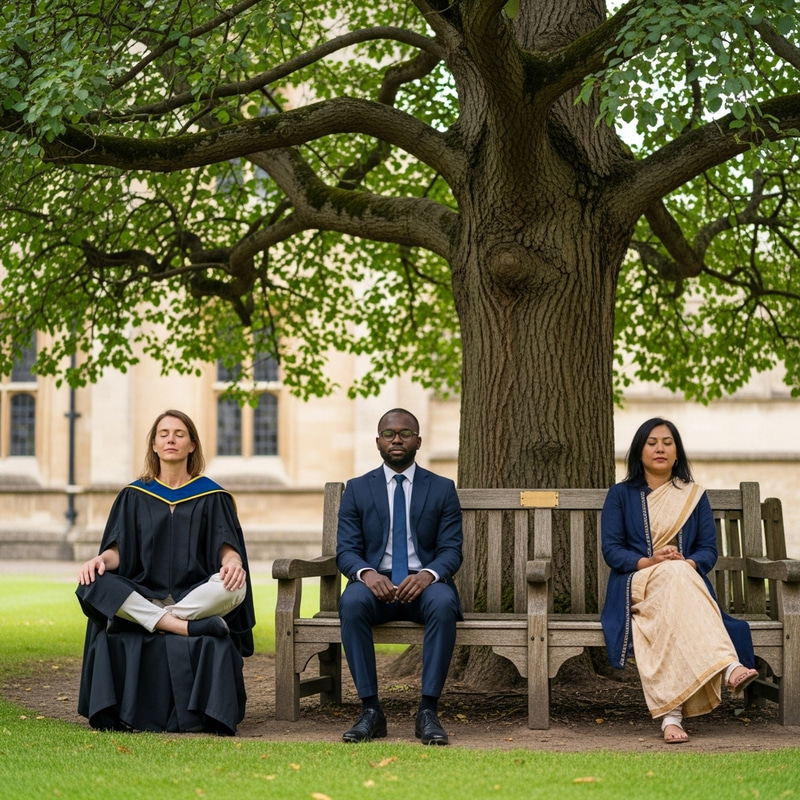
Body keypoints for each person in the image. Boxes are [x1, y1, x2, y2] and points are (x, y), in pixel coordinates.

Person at [75, 410, 256, 735]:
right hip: (145, 592)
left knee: (235, 586)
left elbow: (226, 546)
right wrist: (100, 559)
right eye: (163, 434)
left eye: (179, 433)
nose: (170, 439)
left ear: (192, 445)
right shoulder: (133, 495)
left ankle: (157, 618)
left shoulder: (212, 495)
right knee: (92, 582)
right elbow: (119, 549)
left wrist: (233, 562)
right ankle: (180, 626)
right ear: (154, 446)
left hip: (192, 597)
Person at [600, 417, 758, 744]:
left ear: (677, 452)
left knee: (671, 600)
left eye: (667, 442)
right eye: (652, 442)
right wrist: (651, 561)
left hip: (683, 586)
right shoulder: (620, 495)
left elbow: (707, 550)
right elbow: (612, 550)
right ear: (639, 450)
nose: (660, 448)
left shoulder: (694, 496)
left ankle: (671, 718)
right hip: (635, 585)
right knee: (673, 574)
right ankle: (727, 666)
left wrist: (687, 562)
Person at [336, 408, 463, 745]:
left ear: (418, 441)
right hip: (376, 587)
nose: (396, 439)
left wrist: (428, 575)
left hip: (424, 587)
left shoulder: (442, 488)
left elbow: (452, 551)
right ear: (378, 440)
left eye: (405, 433)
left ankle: (428, 711)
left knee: (443, 603)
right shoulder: (358, 489)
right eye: (389, 433)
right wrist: (366, 574)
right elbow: (346, 550)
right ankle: (371, 711)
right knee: (351, 601)